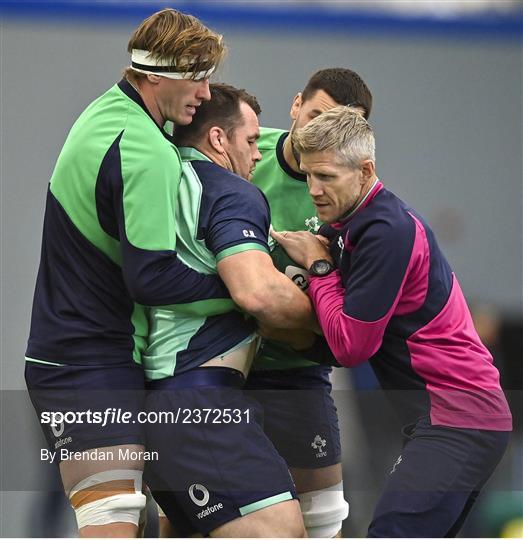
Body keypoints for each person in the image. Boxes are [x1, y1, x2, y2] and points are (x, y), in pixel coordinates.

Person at [24, 8, 226, 537]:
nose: (205, 94)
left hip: (72, 358)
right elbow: (153, 279)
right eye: (197, 77)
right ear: (156, 74)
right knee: (113, 526)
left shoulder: (103, 113)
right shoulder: (145, 149)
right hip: (90, 365)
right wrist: (241, 291)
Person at [271, 106, 512, 538]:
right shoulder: (354, 226)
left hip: (457, 418)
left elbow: (351, 347)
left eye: (326, 176)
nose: (314, 190)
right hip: (449, 420)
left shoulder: (386, 230)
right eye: (308, 176)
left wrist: (320, 268)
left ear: (365, 170)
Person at [143, 83, 317, 538]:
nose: (258, 156)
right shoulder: (231, 190)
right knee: (281, 530)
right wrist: (326, 327)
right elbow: (257, 294)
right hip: (203, 406)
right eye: (250, 141)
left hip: (161, 404)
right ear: (219, 139)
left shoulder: (159, 182)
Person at [244, 68, 373, 537]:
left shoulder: (355, 194)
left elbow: (352, 312)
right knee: (187, 513)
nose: (324, 135)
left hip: (298, 370)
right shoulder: (242, 153)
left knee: (323, 516)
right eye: (317, 116)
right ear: (296, 105)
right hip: (218, 368)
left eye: (341, 127)